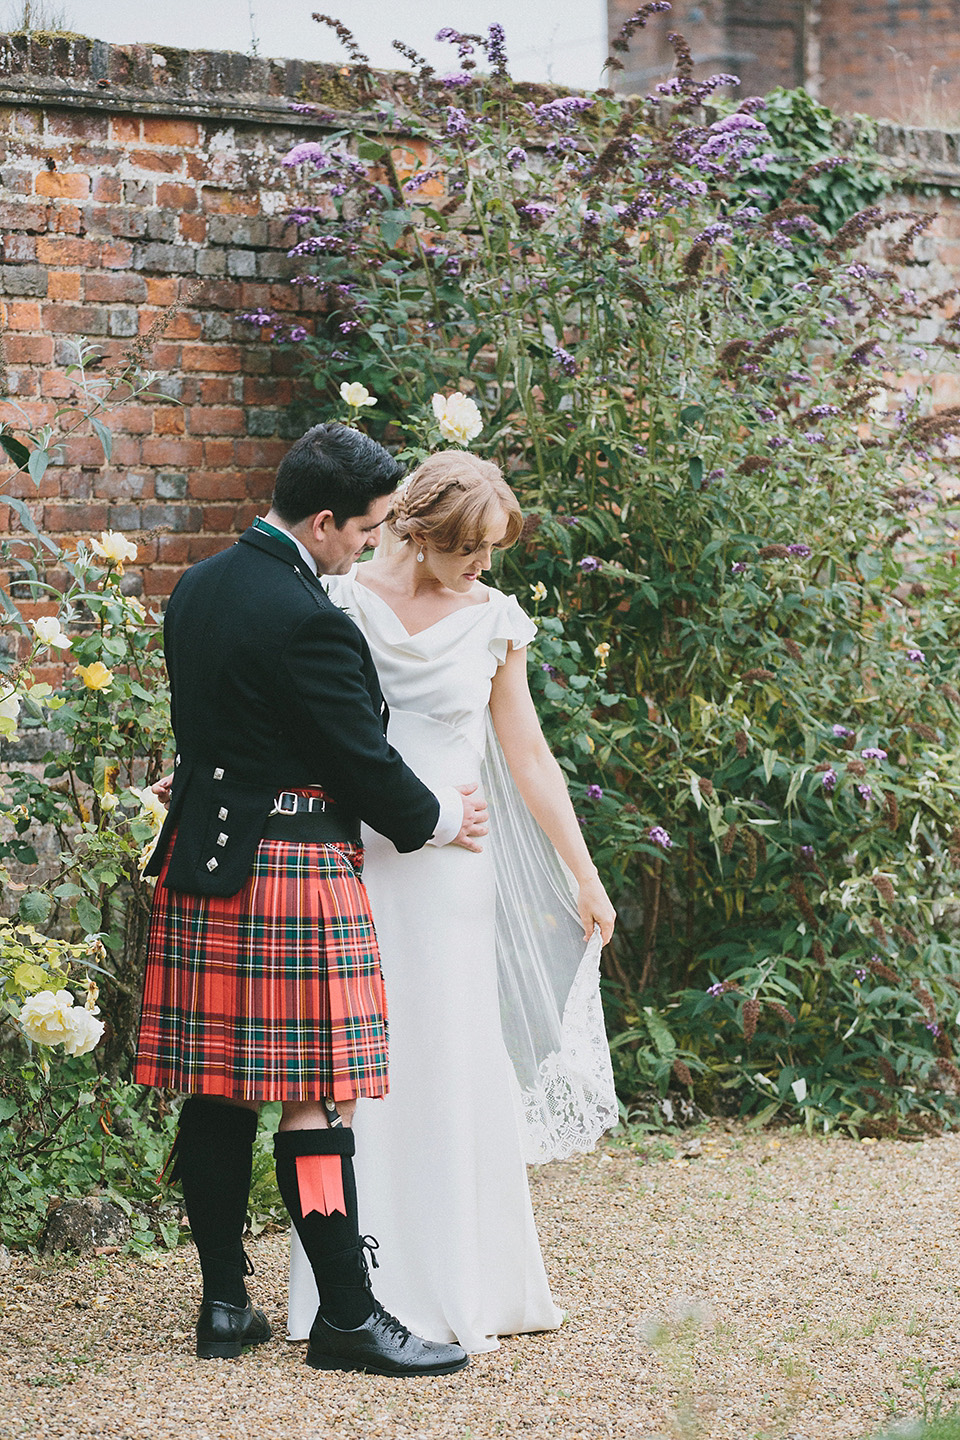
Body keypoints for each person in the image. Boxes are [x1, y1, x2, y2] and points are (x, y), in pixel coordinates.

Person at [133, 423, 490, 1377]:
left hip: (202, 862)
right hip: (291, 869)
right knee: (318, 1097)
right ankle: (345, 1317)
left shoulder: (200, 586)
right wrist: (440, 818)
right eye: (368, 530)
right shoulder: (312, 617)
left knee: (216, 1092)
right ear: (325, 521)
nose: (373, 545)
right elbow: (363, 765)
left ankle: (222, 1307)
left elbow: (210, 727)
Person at [287, 450, 619, 1355]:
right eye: (470, 550)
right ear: (422, 533)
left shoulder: (493, 621)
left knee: (451, 1052)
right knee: (360, 1062)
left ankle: (469, 1277)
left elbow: (530, 758)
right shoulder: (341, 604)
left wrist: (584, 875)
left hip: (454, 875)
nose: (483, 567)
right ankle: (355, 1286)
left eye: (491, 551)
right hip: (362, 862)